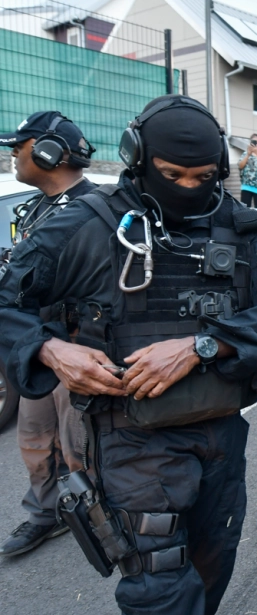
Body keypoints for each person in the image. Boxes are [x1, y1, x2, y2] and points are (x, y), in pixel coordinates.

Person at [0, 95, 257, 615]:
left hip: (220, 433)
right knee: (159, 588)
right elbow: (8, 304)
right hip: (132, 440)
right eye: (172, 175)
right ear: (137, 157)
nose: (188, 187)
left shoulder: (239, 226)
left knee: (213, 562)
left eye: (202, 176)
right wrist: (51, 350)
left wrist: (201, 346)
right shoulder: (87, 224)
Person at [0, 111, 95, 557]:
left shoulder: (97, 209)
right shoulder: (37, 207)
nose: (13, 155)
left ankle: (97, 514)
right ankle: (45, 513)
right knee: (35, 438)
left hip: (79, 341)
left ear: (48, 152)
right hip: (38, 341)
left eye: (18, 147)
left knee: (80, 443)